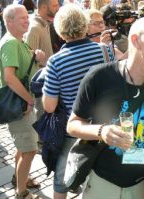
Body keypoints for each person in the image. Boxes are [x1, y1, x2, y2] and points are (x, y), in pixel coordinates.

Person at [67, 16, 144, 199]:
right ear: (136, 41)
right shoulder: (99, 76)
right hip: (102, 181)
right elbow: (73, 125)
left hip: (141, 183)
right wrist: (102, 131)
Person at [42, 4, 113, 199]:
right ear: (85, 26)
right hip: (103, 125)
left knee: (63, 175)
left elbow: (49, 106)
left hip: (75, 127)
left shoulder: (56, 62)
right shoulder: (105, 51)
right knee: (99, 176)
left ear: (59, 30)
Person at [0, 4, 45, 198]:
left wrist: (36, 56)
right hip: (19, 105)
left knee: (23, 146)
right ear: (9, 21)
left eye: (28, 16)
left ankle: (20, 178)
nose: (28, 20)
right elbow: (9, 78)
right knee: (30, 150)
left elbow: (22, 68)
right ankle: (21, 192)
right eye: (22, 18)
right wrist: (29, 101)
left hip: (24, 104)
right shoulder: (11, 43)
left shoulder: (19, 41)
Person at [25, 0, 59, 68]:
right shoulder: (34, 28)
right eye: (54, 5)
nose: (58, 8)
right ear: (44, 7)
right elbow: (30, 62)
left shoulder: (45, 23)